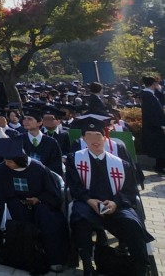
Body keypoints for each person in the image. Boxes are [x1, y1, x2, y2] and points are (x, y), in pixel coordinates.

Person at [66, 115, 154, 276]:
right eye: (89, 136)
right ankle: (87, 264)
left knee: (132, 222)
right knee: (80, 218)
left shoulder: (121, 164)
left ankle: (141, 266)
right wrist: (89, 200)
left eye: (98, 135)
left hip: (116, 204)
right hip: (87, 203)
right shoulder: (75, 160)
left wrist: (115, 203)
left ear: (105, 138)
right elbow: (74, 186)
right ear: (84, 139)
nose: (94, 139)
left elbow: (130, 190)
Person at [0, 137, 69, 272]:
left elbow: (53, 194)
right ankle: (18, 253)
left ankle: (54, 258)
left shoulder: (38, 168)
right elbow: (0, 192)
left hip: (41, 202)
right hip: (15, 202)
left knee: (49, 219)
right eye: (5, 161)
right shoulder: (2, 170)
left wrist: (38, 199)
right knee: (14, 213)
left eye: (9, 161)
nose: (6, 164)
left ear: (19, 160)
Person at [140, 76, 165, 175]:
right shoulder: (147, 95)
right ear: (153, 84)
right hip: (154, 126)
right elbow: (152, 113)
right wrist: (161, 125)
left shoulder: (151, 94)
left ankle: (160, 166)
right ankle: (159, 167)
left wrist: (159, 90)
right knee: (160, 147)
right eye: (156, 83)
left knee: (161, 147)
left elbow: (162, 100)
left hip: (156, 125)